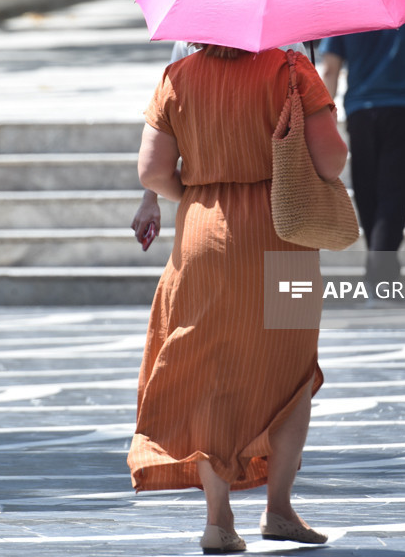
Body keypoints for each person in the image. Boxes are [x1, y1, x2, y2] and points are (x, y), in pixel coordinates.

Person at [130, 45, 348, 553]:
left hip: (203, 233)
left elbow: (152, 170)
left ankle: (218, 518)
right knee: (291, 370)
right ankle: (279, 508)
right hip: (284, 235)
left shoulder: (177, 76)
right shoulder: (292, 71)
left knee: (208, 372)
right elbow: (331, 160)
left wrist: (200, 192)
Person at [318, 5, 405, 287]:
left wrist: (323, 119)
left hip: (362, 115)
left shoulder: (348, 8)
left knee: (368, 195)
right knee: (395, 197)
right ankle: (382, 276)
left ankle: (381, 272)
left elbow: (330, 68)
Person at [130, 41, 310, 250]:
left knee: (205, 282)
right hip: (284, 218)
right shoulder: (289, 47)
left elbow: (153, 172)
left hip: (204, 228)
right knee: (291, 283)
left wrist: (192, 192)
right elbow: (330, 159)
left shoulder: (182, 59)